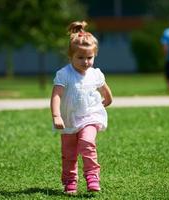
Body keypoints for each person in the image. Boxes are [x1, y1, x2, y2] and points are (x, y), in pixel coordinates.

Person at [50, 21, 113, 195]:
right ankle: (70, 181)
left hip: (90, 116)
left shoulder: (95, 73)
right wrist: (56, 115)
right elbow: (56, 95)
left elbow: (103, 87)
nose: (86, 62)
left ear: (94, 55)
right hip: (69, 119)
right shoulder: (64, 74)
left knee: (87, 143)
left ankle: (92, 176)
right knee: (69, 154)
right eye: (80, 58)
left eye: (89, 58)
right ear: (70, 56)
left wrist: (108, 98)